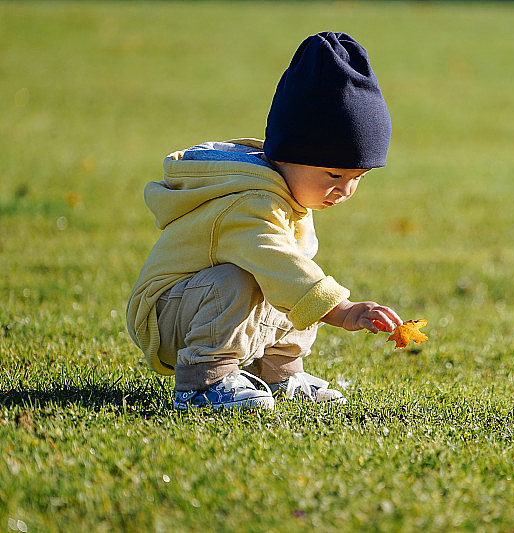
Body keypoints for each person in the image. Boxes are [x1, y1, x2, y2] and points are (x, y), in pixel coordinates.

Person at [126, 32, 402, 410]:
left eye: (359, 177)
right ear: (288, 154)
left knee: (297, 279)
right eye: (335, 175)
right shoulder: (250, 202)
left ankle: (279, 374)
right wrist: (343, 311)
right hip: (168, 317)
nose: (346, 190)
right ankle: (203, 381)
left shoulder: (289, 194)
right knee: (277, 278)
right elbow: (278, 264)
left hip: (206, 311)